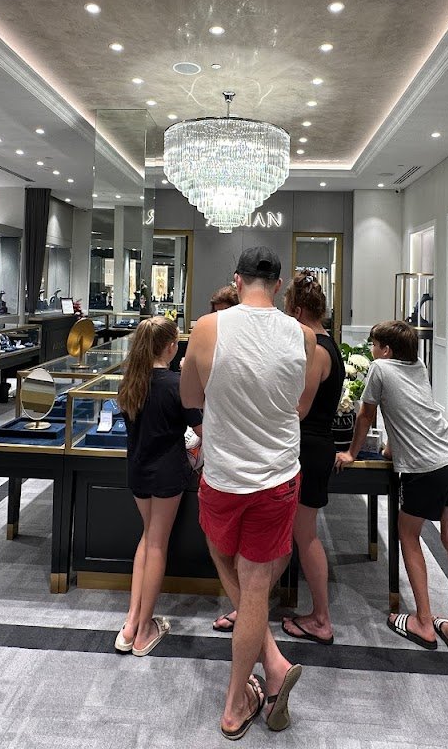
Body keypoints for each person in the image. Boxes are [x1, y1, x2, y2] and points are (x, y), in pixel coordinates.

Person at [181, 247, 320, 739]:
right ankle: (273, 665)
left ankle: (236, 703)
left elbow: (190, 398)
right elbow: (300, 407)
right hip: (277, 477)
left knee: (225, 559)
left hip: (222, 476)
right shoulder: (304, 337)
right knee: (255, 583)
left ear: (236, 281)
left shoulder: (207, 328)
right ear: (279, 286)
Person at [212, 272, 344, 646]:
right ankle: (251, 607)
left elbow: (298, 409)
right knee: (285, 538)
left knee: (305, 537)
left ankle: (321, 618)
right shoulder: (328, 343)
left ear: (297, 311)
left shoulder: (317, 350)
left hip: (308, 448)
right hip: (313, 446)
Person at [335, 320, 448, 657]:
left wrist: (351, 453)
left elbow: (366, 415)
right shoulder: (418, 366)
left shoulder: (380, 369)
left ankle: (423, 622)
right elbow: (412, 409)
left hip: (426, 468)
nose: (371, 350)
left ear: (386, 350)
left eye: (374, 345)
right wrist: (391, 448)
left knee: (408, 535)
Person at [113, 316, 201, 657]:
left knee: (147, 537)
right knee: (157, 544)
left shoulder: (130, 382)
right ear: (169, 347)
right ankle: (144, 629)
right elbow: (202, 430)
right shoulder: (176, 384)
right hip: (167, 473)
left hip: (138, 470)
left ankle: (131, 622)